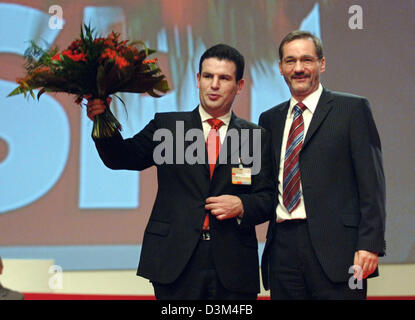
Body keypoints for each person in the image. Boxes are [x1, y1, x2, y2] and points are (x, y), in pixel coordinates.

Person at [86, 44, 274, 299]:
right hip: (175, 262)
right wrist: (102, 120)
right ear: (198, 80)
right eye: (208, 76)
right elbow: (121, 157)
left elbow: (268, 198)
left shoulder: (255, 136)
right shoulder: (168, 127)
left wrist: (242, 205)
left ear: (239, 86)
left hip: (233, 264)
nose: (214, 85)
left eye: (224, 78)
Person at [259, 30, 386, 300]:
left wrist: (370, 244)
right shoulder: (269, 119)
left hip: (340, 251)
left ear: (322, 63)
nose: (299, 68)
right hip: (282, 249)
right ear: (280, 68)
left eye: (307, 60)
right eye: (290, 61)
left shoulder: (352, 109)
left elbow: (372, 184)